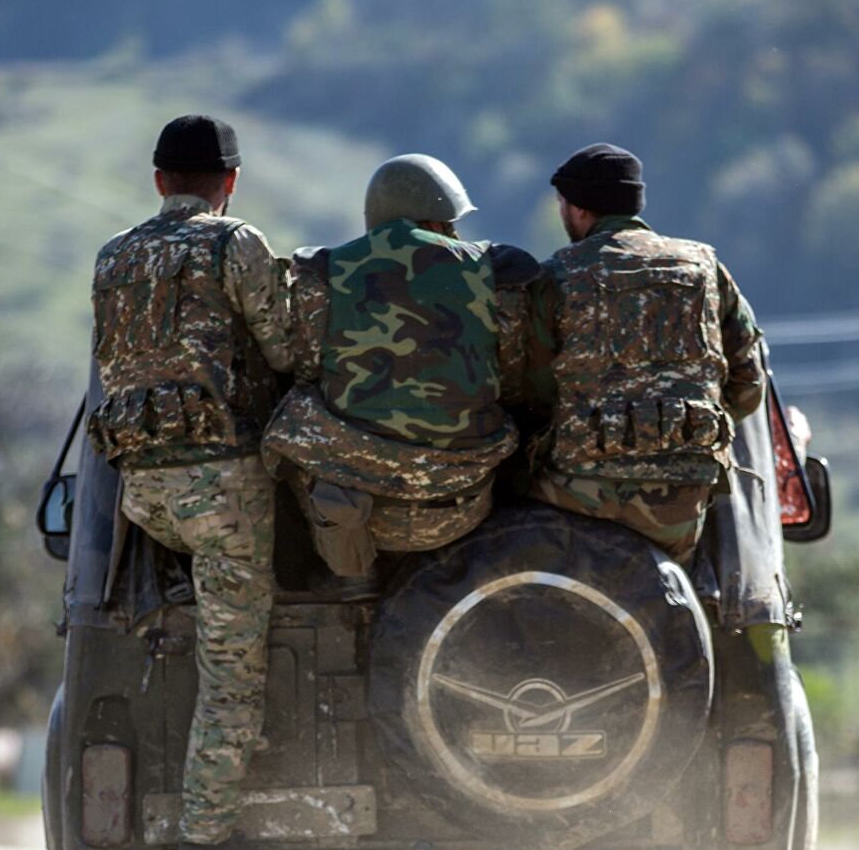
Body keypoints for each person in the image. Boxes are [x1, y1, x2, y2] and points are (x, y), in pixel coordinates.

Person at [85, 114, 290, 845]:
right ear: (230, 182)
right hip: (223, 497)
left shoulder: (113, 255)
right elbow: (285, 347)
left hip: (143, 495)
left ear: (159, 182)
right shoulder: (234, 243)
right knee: (231, 672)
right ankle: (205, 832)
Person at [261, 154, 536, 580]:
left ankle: (332, 577)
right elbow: (513, 380)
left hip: (364, 510)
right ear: (438, 219)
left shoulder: (325, 272)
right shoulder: (493, 272)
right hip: (463, 503)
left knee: (289, 416)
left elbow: (306, 371)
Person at [523, 143, 767, 560]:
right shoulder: (705, 267)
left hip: (578, 497)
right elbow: (749, 385)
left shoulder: (557, 275)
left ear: (579, 209)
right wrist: (688, 428)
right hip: (682, 505)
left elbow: (531, 391)